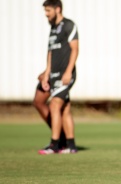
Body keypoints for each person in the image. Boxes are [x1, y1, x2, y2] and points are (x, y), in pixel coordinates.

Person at [38, 0, 79, 154]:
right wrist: (47, 73)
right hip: (54, 75)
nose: (46, 14)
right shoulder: (53, 28)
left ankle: (55, 144)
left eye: (48, 11)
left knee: (55, 104)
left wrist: (68, 71)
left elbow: (75, 49)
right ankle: (71, 146)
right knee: (65, 109)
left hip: (65, 75)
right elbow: (50, 52)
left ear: (58, 9)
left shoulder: (69, 25)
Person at [33, 71, 67, 149]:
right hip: (52, 70)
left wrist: (48, 72)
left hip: (59, 71)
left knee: (58, 105)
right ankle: (61, 138)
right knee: (38, 102)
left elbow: (64, 58)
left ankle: (62, 140)